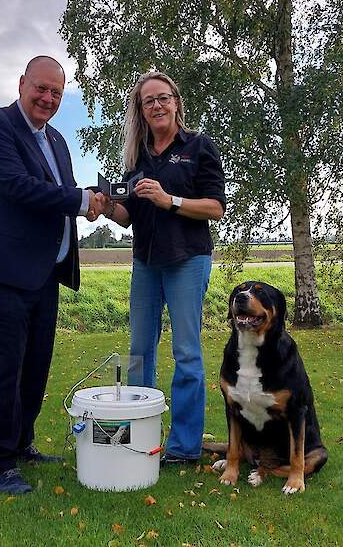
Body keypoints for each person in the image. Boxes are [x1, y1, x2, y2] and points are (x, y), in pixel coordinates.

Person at [0, 56, 106, 494]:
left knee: (36, 366)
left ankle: (22, 443)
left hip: (44, 272)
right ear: (22, 83)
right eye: (41, 88)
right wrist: (82, 201)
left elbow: (61, 193)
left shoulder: (57, 140)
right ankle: (1, 463)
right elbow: (20, 188)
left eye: (56, 93)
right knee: (6, 366)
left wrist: (101, 202)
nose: (47, 98)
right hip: (2, 269)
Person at [100, 71, 226, 465]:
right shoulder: (137, 157)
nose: (156, 105)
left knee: (187, 351)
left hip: (188, 258)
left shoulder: (199, 146)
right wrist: (107, 208)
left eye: (163, 98)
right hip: (146, 262)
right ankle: (141, 433)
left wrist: (169, 199)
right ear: (140, 110)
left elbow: (216, 207)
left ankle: (185, 446)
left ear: (176, 103)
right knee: (139, 351)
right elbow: (127, 217)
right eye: (148, 100)